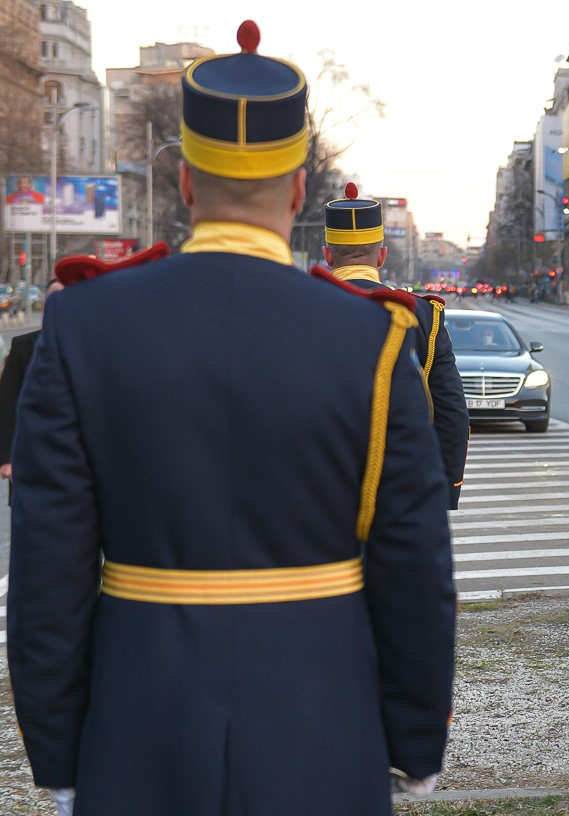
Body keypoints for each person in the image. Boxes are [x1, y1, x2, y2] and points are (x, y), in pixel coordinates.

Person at [6, 21, 455, 816]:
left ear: (182, 183)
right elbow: (411, 563)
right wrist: (413, 738)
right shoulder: (373, 336)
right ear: (296, 190)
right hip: (323, 722)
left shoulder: (84, 326)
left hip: (137, 725)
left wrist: (60, 753)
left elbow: (49, 569)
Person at [323, 183, 469, 509]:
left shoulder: (299, 306)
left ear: (328, 255)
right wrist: (446, 489)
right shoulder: (422, 315)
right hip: (400, 490)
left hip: (321, 487)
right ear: (383, 255)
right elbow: (452, 413)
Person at [0, 277, 64, 493]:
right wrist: (6, 458)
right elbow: (6, 404)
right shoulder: (23, 346)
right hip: (29, 459)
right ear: (45, 304)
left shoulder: (91, 348)